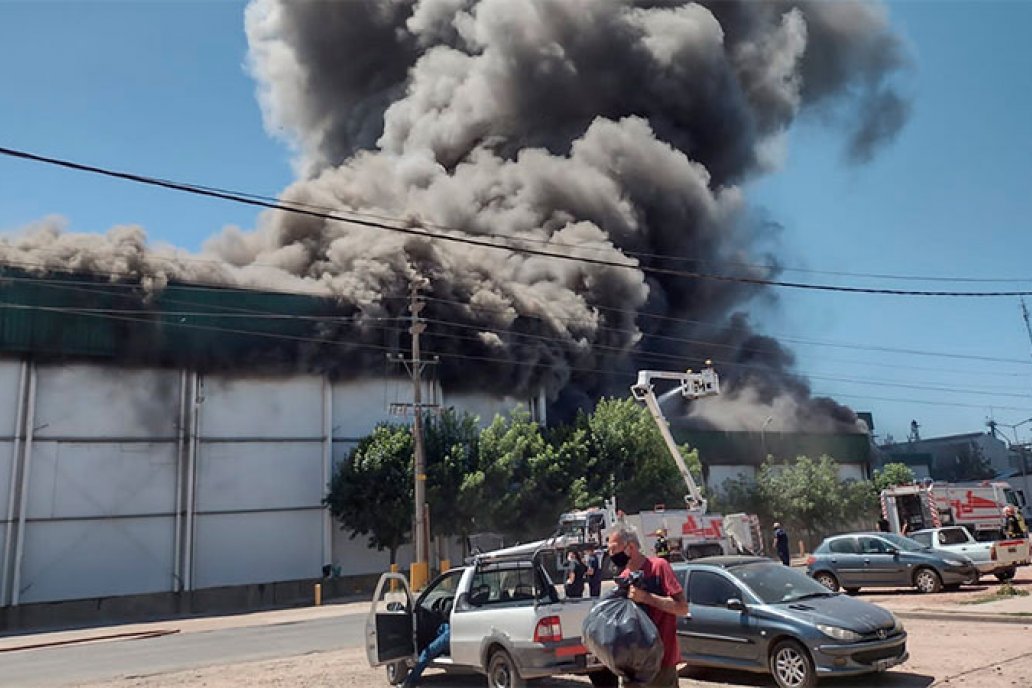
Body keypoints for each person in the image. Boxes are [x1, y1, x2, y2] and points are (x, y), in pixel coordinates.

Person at [607, 522, 688, 688]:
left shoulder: (659, 567)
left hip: (661, 665)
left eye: (614, 549)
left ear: (630, 547)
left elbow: (682, 608)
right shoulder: (624, 577)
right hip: (632, 667)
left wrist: (647, 598)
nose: (610, 554)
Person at [402, 621, 449, 688]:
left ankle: (410, 681)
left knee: (426, 653)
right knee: (443, 627)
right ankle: (432, 644)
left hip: (452, 633)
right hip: (452, 628)